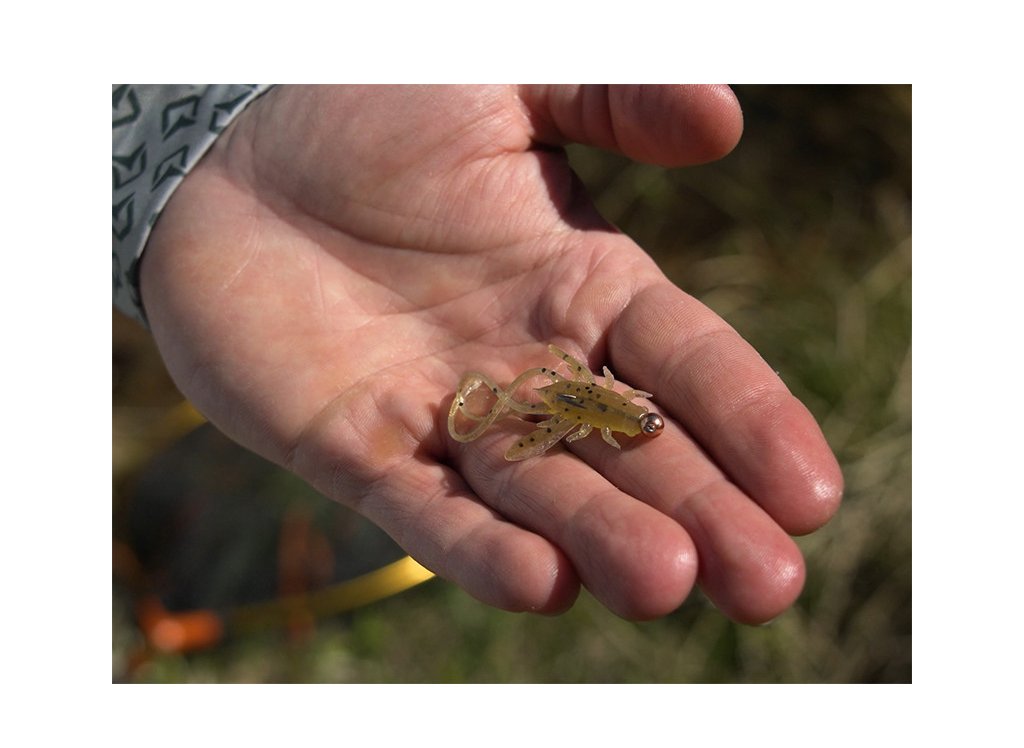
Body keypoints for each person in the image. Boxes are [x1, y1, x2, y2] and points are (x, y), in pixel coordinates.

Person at [113, 85, 842, 624]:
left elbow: (597, 396)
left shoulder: (608, 407)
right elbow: (580, 393)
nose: (646, 419)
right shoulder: (579, 399)